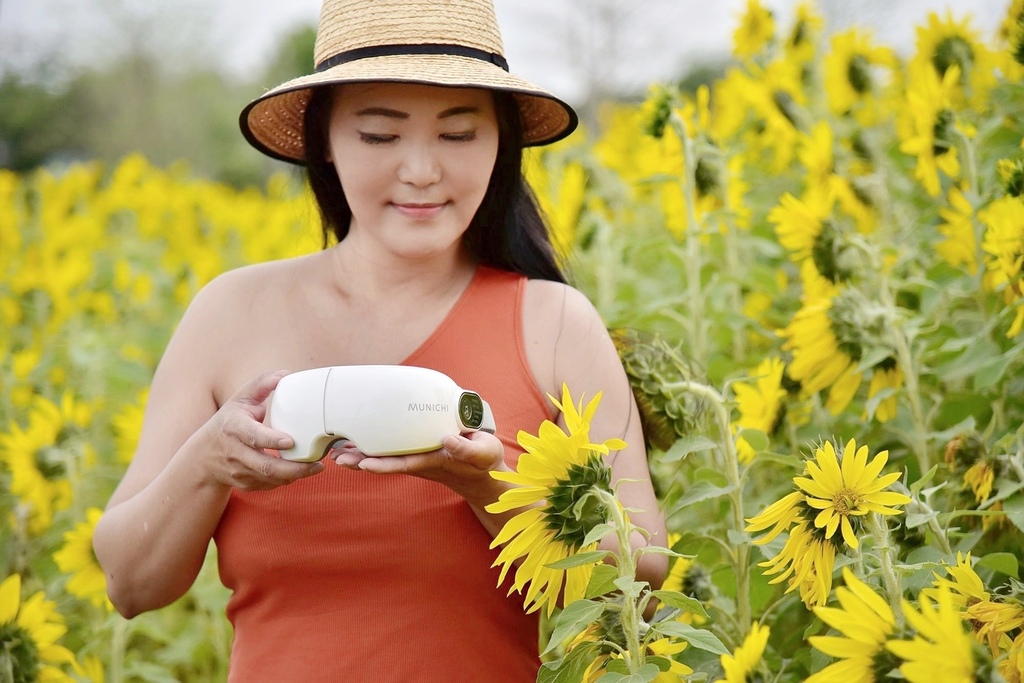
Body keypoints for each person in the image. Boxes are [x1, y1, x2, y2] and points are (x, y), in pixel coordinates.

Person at [93, 0, 668, 680]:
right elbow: (131, 585)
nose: (422, 170)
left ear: (500, 145)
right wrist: (209, 462)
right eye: (378, 136)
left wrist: (488, 488)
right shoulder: (230, 312)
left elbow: (642, 588)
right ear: (325, 141)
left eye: (459, 135)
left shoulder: (555, 324)